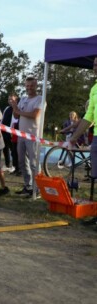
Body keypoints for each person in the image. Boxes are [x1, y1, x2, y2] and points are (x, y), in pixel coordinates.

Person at [69, 57, 97, 227]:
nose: (95, 68)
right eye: (94, 65)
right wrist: (73, 137)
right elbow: (88, 117)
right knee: (95, 176)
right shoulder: (94, 89)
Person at [12, 77, 43, 197]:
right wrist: (15, 106)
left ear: (36, 86)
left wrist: (18, 111)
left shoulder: (40, 99)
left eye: (31, 86)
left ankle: (38, 189)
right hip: (21, 135)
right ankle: (28, 186)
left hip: (33, 135)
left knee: (34, 163)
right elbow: (16, 114)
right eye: (27, 86)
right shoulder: (23, 99)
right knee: (22, 162)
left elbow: (35, 115)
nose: (29, 88)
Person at [1, 95, 18, 173]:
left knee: (13, 150)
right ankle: (7, 164)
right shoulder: (7, 108)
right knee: (5, 149)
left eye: (12, 99)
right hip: (3, 131)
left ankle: (15, 167)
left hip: (11, 132)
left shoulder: (16, 109)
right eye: (9, 99)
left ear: (15, 100)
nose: (10, 100)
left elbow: (15, 120)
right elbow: (3, 118)